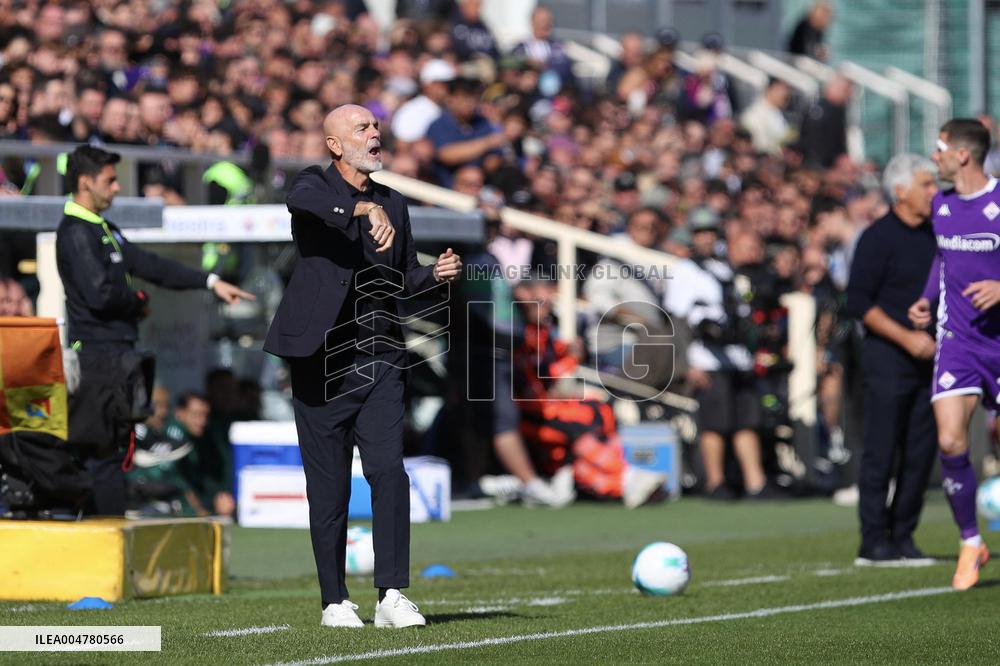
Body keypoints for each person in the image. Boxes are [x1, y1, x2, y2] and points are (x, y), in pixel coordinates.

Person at [262, 104, 462, 628]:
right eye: (362, 128)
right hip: (321, 361)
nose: (375, 133)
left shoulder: (394, 201)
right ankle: (334, 600)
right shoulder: (313, 185)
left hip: (382, 358)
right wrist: (361, 209)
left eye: (375, 126)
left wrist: (435, 275)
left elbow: (403, 278)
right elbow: (303, 203)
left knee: (389, 473)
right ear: (335, 145)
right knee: (328, 487)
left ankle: (391, 594)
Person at [55, 145, 253, 516]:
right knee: (99, 453)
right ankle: (99, 534)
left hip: (116, 357)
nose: (117, 188)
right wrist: (138, 301)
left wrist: (209, 282)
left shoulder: (102, 228)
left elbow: (150, 264)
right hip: (97, 358)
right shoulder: (76, 233)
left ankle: (112, 531)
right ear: (84, 182)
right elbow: (100, 295)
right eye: (110, 181)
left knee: (115, 452)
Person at [909, 119, 1000, 590]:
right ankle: (970, 541)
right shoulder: (941, 205)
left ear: (963, 154)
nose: (935, 155)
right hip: (958, 342)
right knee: (950, 441)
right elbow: (943, 258)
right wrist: (927, 298)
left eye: (939, 147)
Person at [846, 153, 939, 565]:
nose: (934, 192)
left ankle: (903, 536)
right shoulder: (877, 237)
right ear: (900, 191)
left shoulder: (937, 234)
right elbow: (858, 302)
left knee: (920, 452)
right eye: (926, 185)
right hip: (888, 357)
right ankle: (872, 540)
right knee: (881, 450)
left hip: (932, 359)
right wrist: (905, 338)